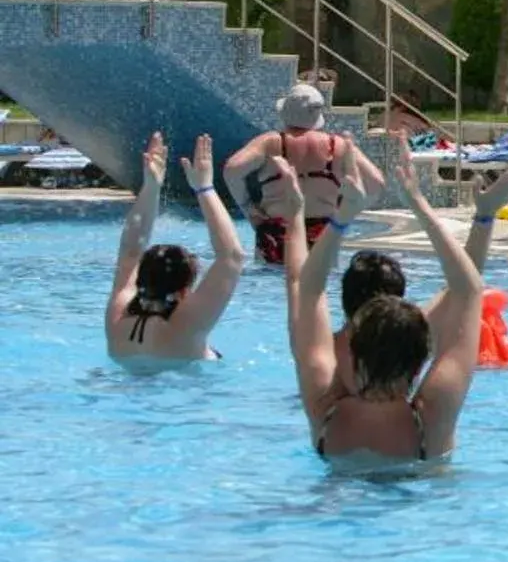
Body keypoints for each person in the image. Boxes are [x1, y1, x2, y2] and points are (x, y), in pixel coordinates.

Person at [280, 150, 484, 463]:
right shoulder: (434, 417)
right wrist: (419, 204)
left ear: (353, 351)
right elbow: (468, 290)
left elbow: (306, 289)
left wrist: (343, 217)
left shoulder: (324, 407)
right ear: (419, 361)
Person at [107, 133, 245, 363]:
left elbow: (131, 250)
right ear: (183, 291)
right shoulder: (188, 324)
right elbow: (232, 256)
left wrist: (151, 187)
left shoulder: (117, 317)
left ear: (140, 278)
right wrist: (204, 188)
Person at [223, 83, 386, 264]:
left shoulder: (270, 142)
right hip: (323, 232)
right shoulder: (339, 145)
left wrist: (248, 208)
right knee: (318, 287)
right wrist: (347, 213)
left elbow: (232, 170)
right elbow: (376, 183)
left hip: (277, 230)